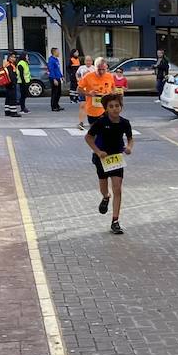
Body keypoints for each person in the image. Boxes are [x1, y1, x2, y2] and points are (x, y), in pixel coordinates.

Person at [85, 90, 133, 235]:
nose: (114, 109)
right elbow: (88, 138)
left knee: (117, 188)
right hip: (102, 158)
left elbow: (130, 138)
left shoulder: (125, 123)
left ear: (121, 107)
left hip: (116, 158)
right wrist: (98, 152)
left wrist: (129, 147)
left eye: (117, 106)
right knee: (104, 188)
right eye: (111, 106)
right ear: (106, 108)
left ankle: (115, 221)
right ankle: (106, 197)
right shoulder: (100, 122)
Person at [78, 56, 118, 132]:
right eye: (99, 69)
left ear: (106, 67)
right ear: (95, 67)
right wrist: (89, 93)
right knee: (95, 134)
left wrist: (113, 94)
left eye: (104, 69)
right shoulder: (88, 77)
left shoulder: (109, 76)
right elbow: (79, 89)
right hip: (92, 110)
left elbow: (113, 88)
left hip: (106, 110)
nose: (101, 72)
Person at [75, 57, 96, 130]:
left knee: (93, 106)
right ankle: (81, 122)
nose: (88, 62)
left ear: (92, 61)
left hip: (91, 90)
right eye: (87, 61)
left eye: (90, 60)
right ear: (84, 61)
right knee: (82, 105)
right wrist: (78, 80)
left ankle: (94, 122)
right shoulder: (81, 68)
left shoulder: (94, 69)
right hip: (83, 89)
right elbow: (77, 74)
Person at [0, 51, 20, 118]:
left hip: (7, 83)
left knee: (8, 98)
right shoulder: (10, 65)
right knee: (12, 98)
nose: (14, 58)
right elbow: (11, 75)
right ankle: (13, 112)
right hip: (11, 83)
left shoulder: (6, 64)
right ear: (9, 57)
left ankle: (7, 111)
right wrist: (13, 83)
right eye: (13, 57)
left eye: (15, 57)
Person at [48, 47, 64, 111]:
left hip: (58, 77)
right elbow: (51, 70)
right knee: (54, 93)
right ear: (54, 52)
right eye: (58, 51)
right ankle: (53, 106)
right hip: (53, 78)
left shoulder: (56, 59)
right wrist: (54, 79)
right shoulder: (51, 60)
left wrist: (61, 76)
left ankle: (57, 104)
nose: (59, 53)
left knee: (59, 93)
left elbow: (57, 69)